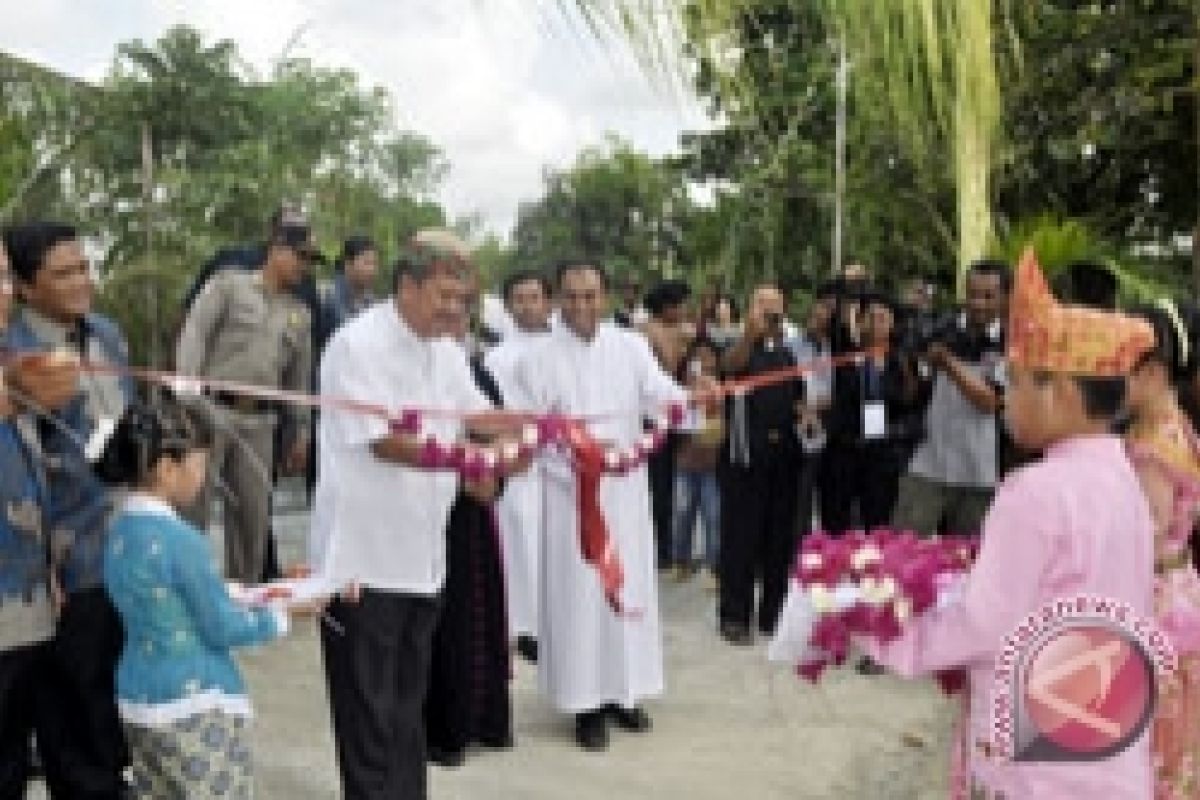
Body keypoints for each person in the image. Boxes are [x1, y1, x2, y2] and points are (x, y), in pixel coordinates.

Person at [862, 251, 1156, 797]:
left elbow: (984, 624)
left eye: (1016, 384)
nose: (1006, 402)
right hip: (1103, 737)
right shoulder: (1123, 480)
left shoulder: (1035, 491)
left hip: (1038, 758)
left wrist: (885, 633)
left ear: (1063, 391)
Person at [312, 229, 524, 799]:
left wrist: (542, 431)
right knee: (369, 716)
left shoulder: (447, 351)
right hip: (363, 563)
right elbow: (382, 440)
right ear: (406, 286)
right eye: (444, 296)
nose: (455, 311)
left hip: (423, 559)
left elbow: (480, 415)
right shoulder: (357, 346)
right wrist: (470, 455)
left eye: (463, 300)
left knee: (408, 710)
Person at [515, 259, 693, 752]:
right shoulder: (537, 358)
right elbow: (528, 429)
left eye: (590, 295)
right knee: (580, 599)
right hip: (570, 495)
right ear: (557, 299)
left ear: (605, 296)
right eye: (571, 296)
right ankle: (585, 703)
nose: (582, 306)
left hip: (626, 493)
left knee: (626, 593)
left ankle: (623, 692)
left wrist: (691, 398)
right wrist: (572, 451)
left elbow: (663, 397)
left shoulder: (631, 347)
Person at [97, 396, 290, 799]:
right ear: (167, 467)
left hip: (138, 697)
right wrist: (279, 614)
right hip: (194, 702)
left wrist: (233, 592)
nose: (205, 475)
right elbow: (222, 628)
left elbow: (164, 597)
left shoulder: (120, 531)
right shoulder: (181, 540)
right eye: (200, 464)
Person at [5, 221, 135, 799]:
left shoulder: (106, 337)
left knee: (114, 705)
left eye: (84, 267)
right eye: (63, 273)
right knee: (70, 713)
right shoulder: (16, 356)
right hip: (63, 564)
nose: (82, 282)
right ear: (29, 287)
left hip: (125, 550)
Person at [176, 208, 315, 583]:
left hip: (260, 423)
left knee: (252, 518)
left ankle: (244, 598)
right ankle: (188, 593)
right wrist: (187, 396)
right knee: (193, 509)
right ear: (278, 249)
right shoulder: (228, 286)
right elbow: (195, 334)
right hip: (209, 413)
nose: (306, 267)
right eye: (301, 256)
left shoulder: (299, 314)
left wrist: (300, 430)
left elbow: (299, 380)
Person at [424, 276, 513, 768]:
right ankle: (442, 730)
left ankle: (483, 722)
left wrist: (493, 476)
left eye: (462, 311)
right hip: (426, 510)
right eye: (446, 309)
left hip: (472, 517)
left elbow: (502, 434)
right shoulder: (413, 370)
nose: (453, 320)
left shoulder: (479, 374)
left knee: (473, 619)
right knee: (435, 625)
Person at [0, 237, 72, 799]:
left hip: (23, 604)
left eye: (3, 278)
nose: (1, 294)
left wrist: (47, 563)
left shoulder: (16, 366)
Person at [1122, 300, 1200, 799]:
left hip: (1154, 602)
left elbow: (1145, 540)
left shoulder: (1154, 445)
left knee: (1152, 754)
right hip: (1179, 594)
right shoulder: (1177, 427)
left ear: (1152, 371)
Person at [891, 259, 1008, 536]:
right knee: (902, 550)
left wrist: (947, 363)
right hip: (927, 462)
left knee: (970, 562)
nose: (977, 303)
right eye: (972, 294)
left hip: (979, 469)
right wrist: (912, 365)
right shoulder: (939, 326)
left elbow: (990, 402)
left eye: (988, 296)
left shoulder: (1011, 341)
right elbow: (911, 384)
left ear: (1005, 298)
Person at [718, 284, 803, 646]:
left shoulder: (787, 353)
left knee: (779, 540)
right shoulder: (736, 346)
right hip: (744, 459)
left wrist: (806, 414)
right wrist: (750, 335)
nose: (769, 312)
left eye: (775, 306)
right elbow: (728, 369)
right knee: (741, 538)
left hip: (782, 456)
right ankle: (735, 615)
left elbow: (796, 398)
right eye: (762, 305)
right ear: (750, 309)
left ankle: (772, 613)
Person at [485, 269, 553, 663]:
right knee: (520, 543)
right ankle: (520, 627)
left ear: (548, 301)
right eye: (520, 298)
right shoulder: (497, 358)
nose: (528, 306)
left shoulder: (564, 349)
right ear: (509, 305)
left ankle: (551, 623)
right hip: (520, 461)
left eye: (535, 297)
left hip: (563, 462)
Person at [641, 280, 693, 570]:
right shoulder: (647, 333)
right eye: (680, 305)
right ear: (666, 307)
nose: (685, 310)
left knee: (680, 482)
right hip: (655, 417)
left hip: (683, 414)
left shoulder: (683, 330)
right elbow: (668, 369)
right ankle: (662, 548)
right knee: (660, 486)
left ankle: (675, 545)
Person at [670, 336, 723, 586]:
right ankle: (680, 561)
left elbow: (721, 421)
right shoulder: (681, 388)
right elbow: (674, 423)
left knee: (713, 517)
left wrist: (712, 394)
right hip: (685, 463)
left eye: (708, 355)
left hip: (713, 465)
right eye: (698, 356)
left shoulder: (724, 386)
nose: (703, 360)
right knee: (682, 514)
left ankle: (713, 568)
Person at [788, 282, 836, 534]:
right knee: (800, 499)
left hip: (832, 426)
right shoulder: (792, 346)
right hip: (803, 428)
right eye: (813, 315)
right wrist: (804, 411)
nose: (815, 321)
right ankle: (799, 552)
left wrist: (819, 408)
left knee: (832, 499)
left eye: (823, 317)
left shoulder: (837, 348)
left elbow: (842, 390)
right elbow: (786, 386)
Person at [318, 236, 380, 350]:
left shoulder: (371, 301)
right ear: (348, 264)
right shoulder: (328, 297)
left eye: (375, 264)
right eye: (367, 263)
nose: (372, 270)